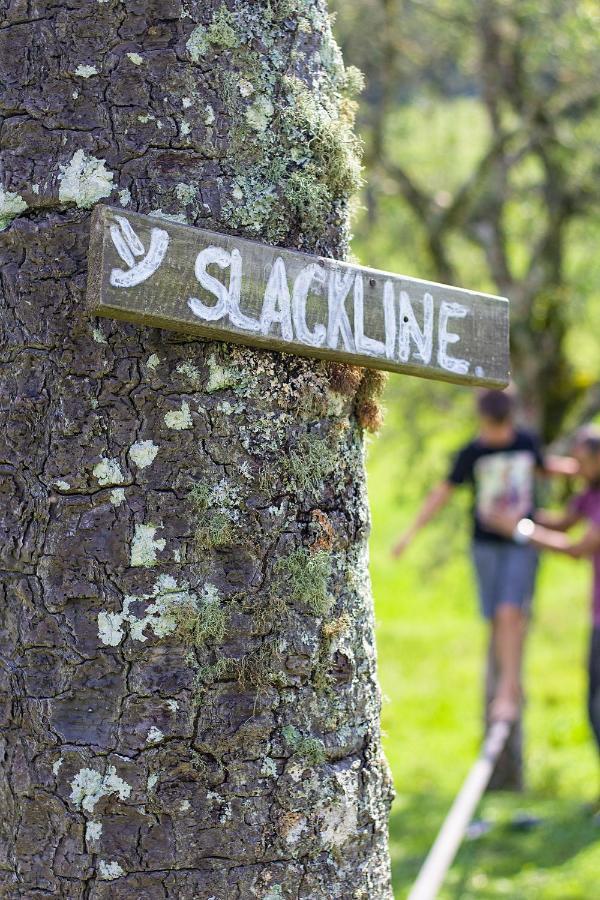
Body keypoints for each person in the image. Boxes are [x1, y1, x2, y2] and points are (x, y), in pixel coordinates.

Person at [392, 388, 575, 724]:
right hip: (485, 545)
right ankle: (507, 683)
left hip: (522, 540)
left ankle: (508, 690)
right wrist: (410, 534)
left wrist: (581, 469)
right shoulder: (472, 452)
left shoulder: (525, 441)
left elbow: (544, 468)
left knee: (510, 612)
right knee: (495, 616)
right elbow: (442, 492)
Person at [485, 425, 600, 790]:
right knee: (593, 705)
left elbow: (577, 548)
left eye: (581, 462)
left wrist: (519, 530)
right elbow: (563, 521)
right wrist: (522, 510)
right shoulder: (590, 492)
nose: (576, 469)